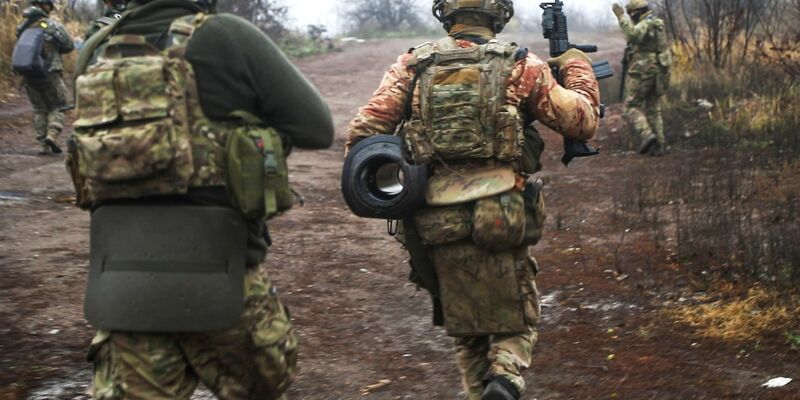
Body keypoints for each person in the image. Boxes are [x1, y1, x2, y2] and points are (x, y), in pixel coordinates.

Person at [69, 0, 334, 398]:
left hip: (122, 286)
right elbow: (317, 128)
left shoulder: (95, 50)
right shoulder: (226, 34)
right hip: (225, 278)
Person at [345, 1, 600, 399]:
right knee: (518, 314)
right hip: (501, 213)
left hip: (433, 220)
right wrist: (577, 66)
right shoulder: (520, 65)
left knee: (465, 328)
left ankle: (484, 389)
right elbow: (581, 122)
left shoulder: (412, 66)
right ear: (498, 13)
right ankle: (506, 375)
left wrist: (405, 173)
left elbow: (364, 137)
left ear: (445, 12)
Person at [613, 0, 672, 156]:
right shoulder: (655, 22)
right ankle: (659, 145)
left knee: (630, 107)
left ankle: (648, 136)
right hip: (659, 70)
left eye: (631, 14)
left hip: (645, 69)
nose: (631, 17)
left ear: (637, 12)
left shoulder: (647, 23)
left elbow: (633, 35)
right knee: (653, 108)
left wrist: (621, 17)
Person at [14, 0, 74, 155]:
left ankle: (43, 144)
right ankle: (52, 136)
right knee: (59, 105)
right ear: (45, 6)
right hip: (50, 70)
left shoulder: (22, 26)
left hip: (28, 73)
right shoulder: (51, 25)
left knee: (39, 108)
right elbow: (69, 45)